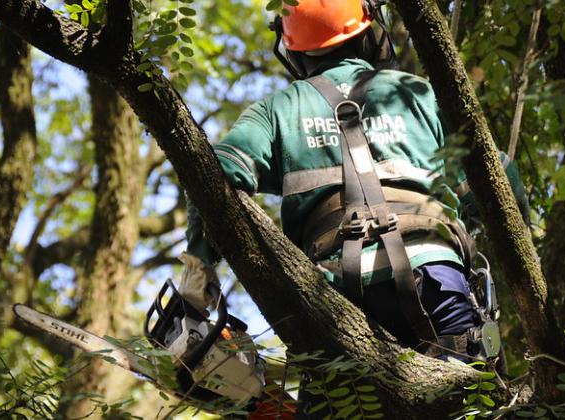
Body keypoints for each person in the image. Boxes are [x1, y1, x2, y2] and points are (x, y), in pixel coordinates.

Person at [178, 0, 529, 414]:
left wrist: (198, 275)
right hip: (433, 278)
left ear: (293, 50)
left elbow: (218, 169)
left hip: (335, 297)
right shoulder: (416, 93)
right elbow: (497, 172)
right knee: (473, 406)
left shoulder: (278, 110)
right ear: (370, 32)